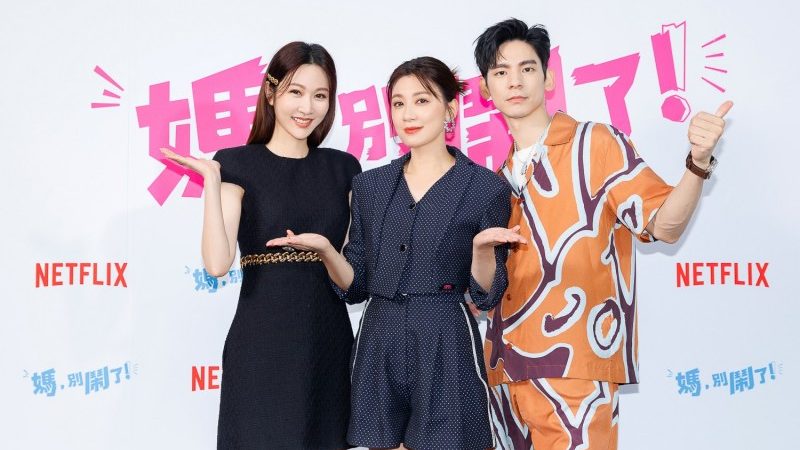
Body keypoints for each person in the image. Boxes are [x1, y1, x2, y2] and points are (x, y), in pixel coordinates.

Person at [472, 19, 732, 450]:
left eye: (527, 68)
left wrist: (698, 162)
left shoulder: (594, 143)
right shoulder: (493, 183)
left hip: (577, 368)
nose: (514, 81)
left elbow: (662, 224)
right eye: (501, 72)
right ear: (485, 88)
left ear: (549, 78)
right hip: (503, 375)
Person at [267, 56, 523, 450]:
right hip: (378, 339)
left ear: (450, 109)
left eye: (422, 100)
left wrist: (481, 250)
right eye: (398, 103)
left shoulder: (484, 188)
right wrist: (326, 251)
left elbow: (486, 295)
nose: (408, 114)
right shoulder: (370, 186)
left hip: (445, 337)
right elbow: (355, 285)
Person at [162, 41, 360, 449]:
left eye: (320, 95)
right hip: (261, 342)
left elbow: (353, 279)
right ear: (271, 93)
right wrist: (213, 181)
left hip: (327, 343)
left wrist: (325, 250)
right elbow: (217, 264)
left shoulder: (343, 168)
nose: (307, 107)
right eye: (295, 92)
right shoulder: (237, 164)